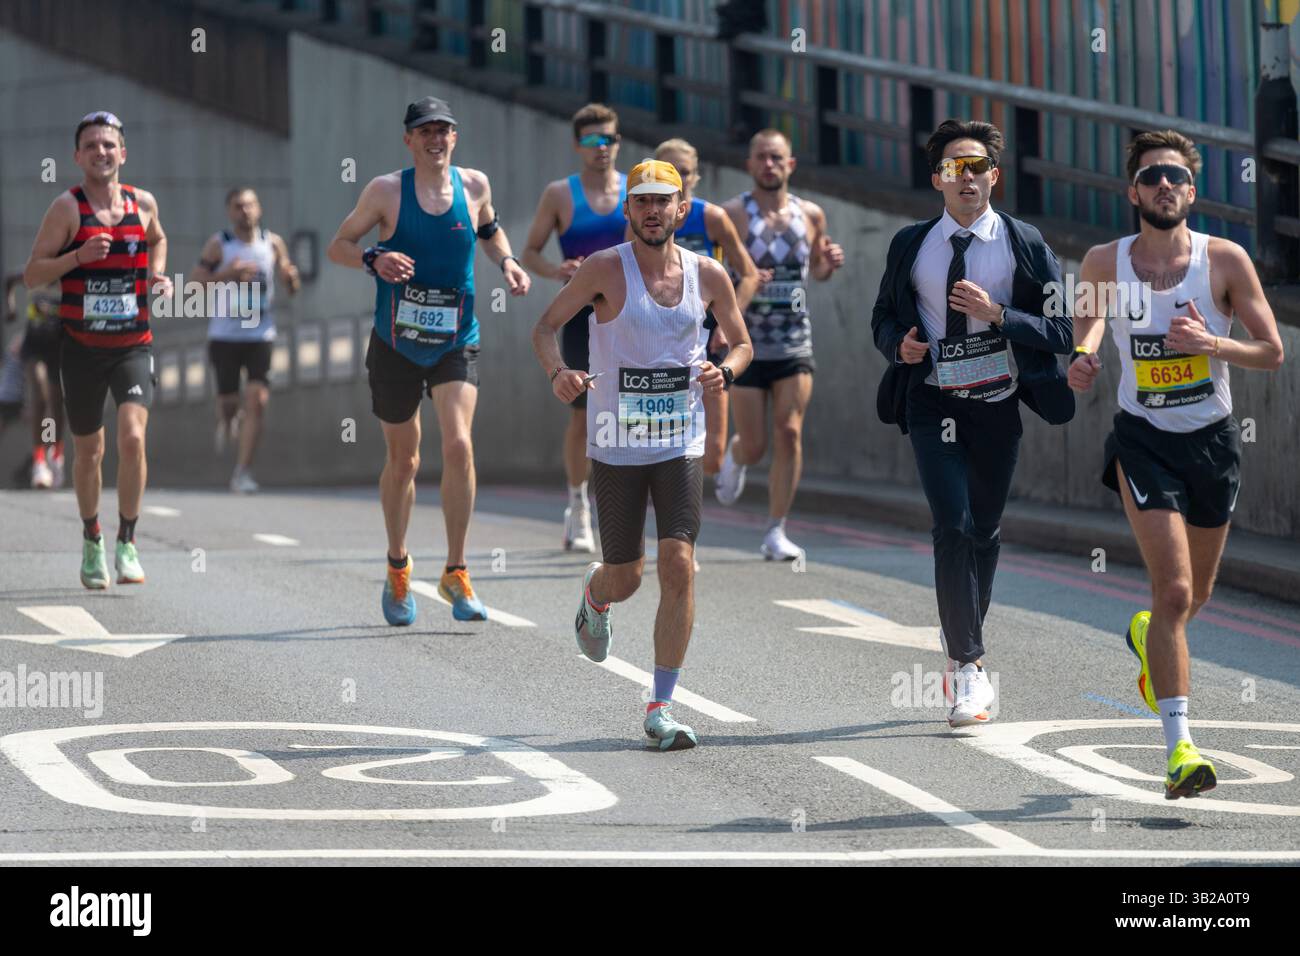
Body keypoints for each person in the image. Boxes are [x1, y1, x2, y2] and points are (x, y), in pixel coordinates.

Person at [1069, 129, 1284, 798]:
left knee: (1196, 596)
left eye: (1176, 177)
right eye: (1152, 175)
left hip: (1213, 443)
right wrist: (1083, 355)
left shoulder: (1224, 261)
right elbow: (1090, 320)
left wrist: (1210, 342)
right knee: (1175, 593)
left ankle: (1150, 638)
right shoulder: (1106, 260)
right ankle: (1179, 748)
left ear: (1192, 191)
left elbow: (1272, 349)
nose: (1165, 185)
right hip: (1144, 438)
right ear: (1132, 191)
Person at [531, 159, 753, 750]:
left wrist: (723, 371)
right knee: (627, 575)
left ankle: (660, 705)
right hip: (616, 444)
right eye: (642, 202)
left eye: (665, 200)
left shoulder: (709, 275)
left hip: (680, 441)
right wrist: (559, 372)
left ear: (684, 209)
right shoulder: (605, 268)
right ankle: (595, 594)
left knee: (679, 564)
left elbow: (742, 342)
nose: (654, 211)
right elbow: (544, 328)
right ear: (627, 210)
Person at [871, 119, 1074, 728]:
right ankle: (968, 664)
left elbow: (1062, 332)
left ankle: (963, 638)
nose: (968, 176)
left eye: (978, 165)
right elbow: (881, 317)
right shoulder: (912, 243)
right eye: (955, 167)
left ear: (994, 177)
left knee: (984, 530)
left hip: (997, 405)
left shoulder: (1025, 243)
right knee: (951, 525)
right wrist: (898, 346)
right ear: (937, 178)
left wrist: (999, 314)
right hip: (933, 402)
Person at [327, 96, 530, 625]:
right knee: (406, 461)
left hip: (455, 337)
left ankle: (456, 572)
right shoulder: (385, 191)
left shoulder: (474, 186)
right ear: (409, 141)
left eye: (444, 131)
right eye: (426, 132)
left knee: (460, 444)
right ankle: (398, 565)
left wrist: (507, 261)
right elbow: (339, 245)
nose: (436, 140)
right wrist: (374, 257)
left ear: (454, 139)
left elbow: (488, 230)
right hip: (395, 342)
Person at [23, 110, 173, 588]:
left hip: (133, 344)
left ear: (122, 154)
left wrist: (158, 275)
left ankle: (128, 541)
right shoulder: (67, 209)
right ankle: (93, 539)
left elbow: (159, 238)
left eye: (109, 145)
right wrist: (75, 258)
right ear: (78, 157)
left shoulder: (142, 203)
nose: (101, 152)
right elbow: (31, 275)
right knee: (89, 451)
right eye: (92, 146)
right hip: (82, 348)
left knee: (132, 438)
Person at [714, 129, 844, 560]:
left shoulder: (811, 214)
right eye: (761, 158)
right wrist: (744, 279)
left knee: (789, 432)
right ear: (749, 165)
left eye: (777, 158)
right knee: (756, 446)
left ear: (790, 165)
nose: (768, 164)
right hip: (746, 344)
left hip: (794, 341)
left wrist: (826, 266)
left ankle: (775, 530)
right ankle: (736, 454)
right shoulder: (732, 214)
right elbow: (715, 275)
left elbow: (818, 272)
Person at [521, 103, 627, 552]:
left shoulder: (635, 188)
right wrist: (554, 270)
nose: (601, 148)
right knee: (584, 412)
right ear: (577, 145)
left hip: (627, 311)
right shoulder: (560, 194)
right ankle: (578, 506)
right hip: (582, 311)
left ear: (618, 142)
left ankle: (623, 507)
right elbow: (529, 251)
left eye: (608, 139)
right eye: (591, 141)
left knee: (628, 409)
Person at [649, 138, 760, 480]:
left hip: (707, 338)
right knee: (651, 443)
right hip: (656, 337)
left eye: (683, 172)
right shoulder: (645, 216)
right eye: (668, 172)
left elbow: (750, 274)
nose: (677, 179)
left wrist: (728, 323)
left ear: (696, 177)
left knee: (711, 458)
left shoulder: (712, 217)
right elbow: (626, 270)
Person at [194, 187, 301, 493]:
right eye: (239, 206)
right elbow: (195, 282)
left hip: (260, 333)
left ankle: (242, 472)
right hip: (225, 336)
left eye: (251, 204)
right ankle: (228, 416)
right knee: (229, 403)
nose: (246, 211)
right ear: (230, 211)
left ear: (260, 208)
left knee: (258, 400)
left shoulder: (273, 243)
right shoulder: (220, 244)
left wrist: (291, 279)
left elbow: (290, 284)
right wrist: (226, 274)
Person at [4, 276, 65, 488]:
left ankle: (56, 454)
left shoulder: (70, 278)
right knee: (40, 396)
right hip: (33, 347)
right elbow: (9, 280)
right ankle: (39, 462)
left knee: (56, 404)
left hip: (58, 347)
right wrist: (11, 308)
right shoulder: (37, 272)